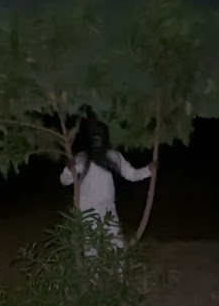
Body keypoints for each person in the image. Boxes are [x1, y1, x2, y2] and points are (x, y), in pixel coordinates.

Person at [60, 109, 155, 254]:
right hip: (87, 210)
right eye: (94, 136)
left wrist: (148, 170)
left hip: (108, 208)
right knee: (91, 249)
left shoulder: (114, 157)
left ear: (105, 137)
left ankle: (118, 270)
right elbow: (65, 181)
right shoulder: (82, 158)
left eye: (99, 135)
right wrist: (68, 169)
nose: (97, 139)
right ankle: (92, 270)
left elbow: (132, 174)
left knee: (116, 246)